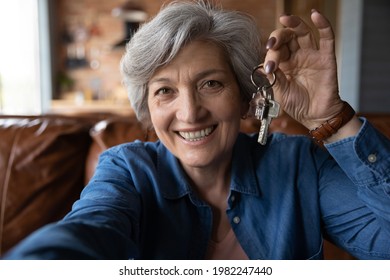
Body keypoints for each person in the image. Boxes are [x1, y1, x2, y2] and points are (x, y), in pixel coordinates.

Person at [5, 1, 390, 260]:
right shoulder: (127, 170)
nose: (189, 112)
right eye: (165, 91)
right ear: (149, 108)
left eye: (211, 84)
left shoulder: (299, 163)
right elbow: (89, 230)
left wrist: (332, 119)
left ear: (244, 98)